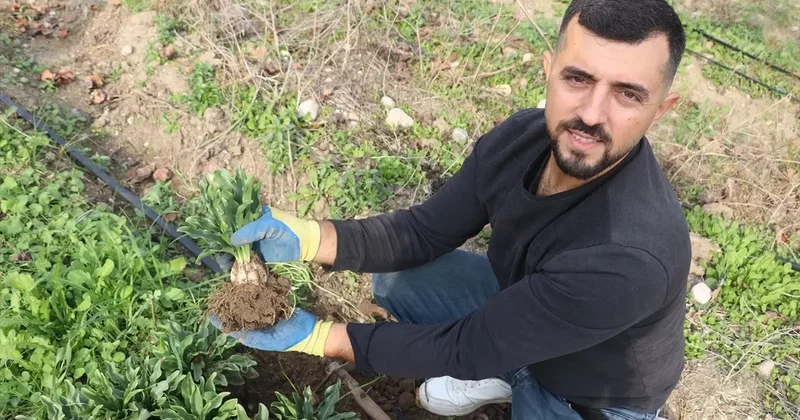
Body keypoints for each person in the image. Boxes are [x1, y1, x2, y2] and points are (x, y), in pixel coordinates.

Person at [212, 0, 692, 418]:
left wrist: (318, 337)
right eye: (578, 78)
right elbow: (424, 232)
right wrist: (308, 236)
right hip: (524, 314)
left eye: (627, 94)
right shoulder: (521, 139)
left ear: (661, 109)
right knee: (401, 279)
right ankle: (507, 369)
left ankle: (512, 372)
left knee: (495, 356)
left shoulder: (630, 254)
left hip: (587, 394)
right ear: (549, 71)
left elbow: (467, 346)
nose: (590, 114)